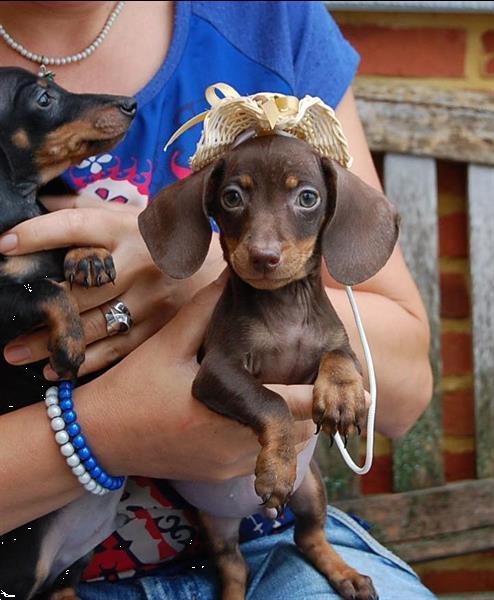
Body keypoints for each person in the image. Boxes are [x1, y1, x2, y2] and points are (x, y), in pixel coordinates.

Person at [0, 1, 435, 598]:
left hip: (268, 541)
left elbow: (407, 393)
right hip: (31, 562)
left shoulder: (269, 21)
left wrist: (212, 278)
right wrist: (99, 433)